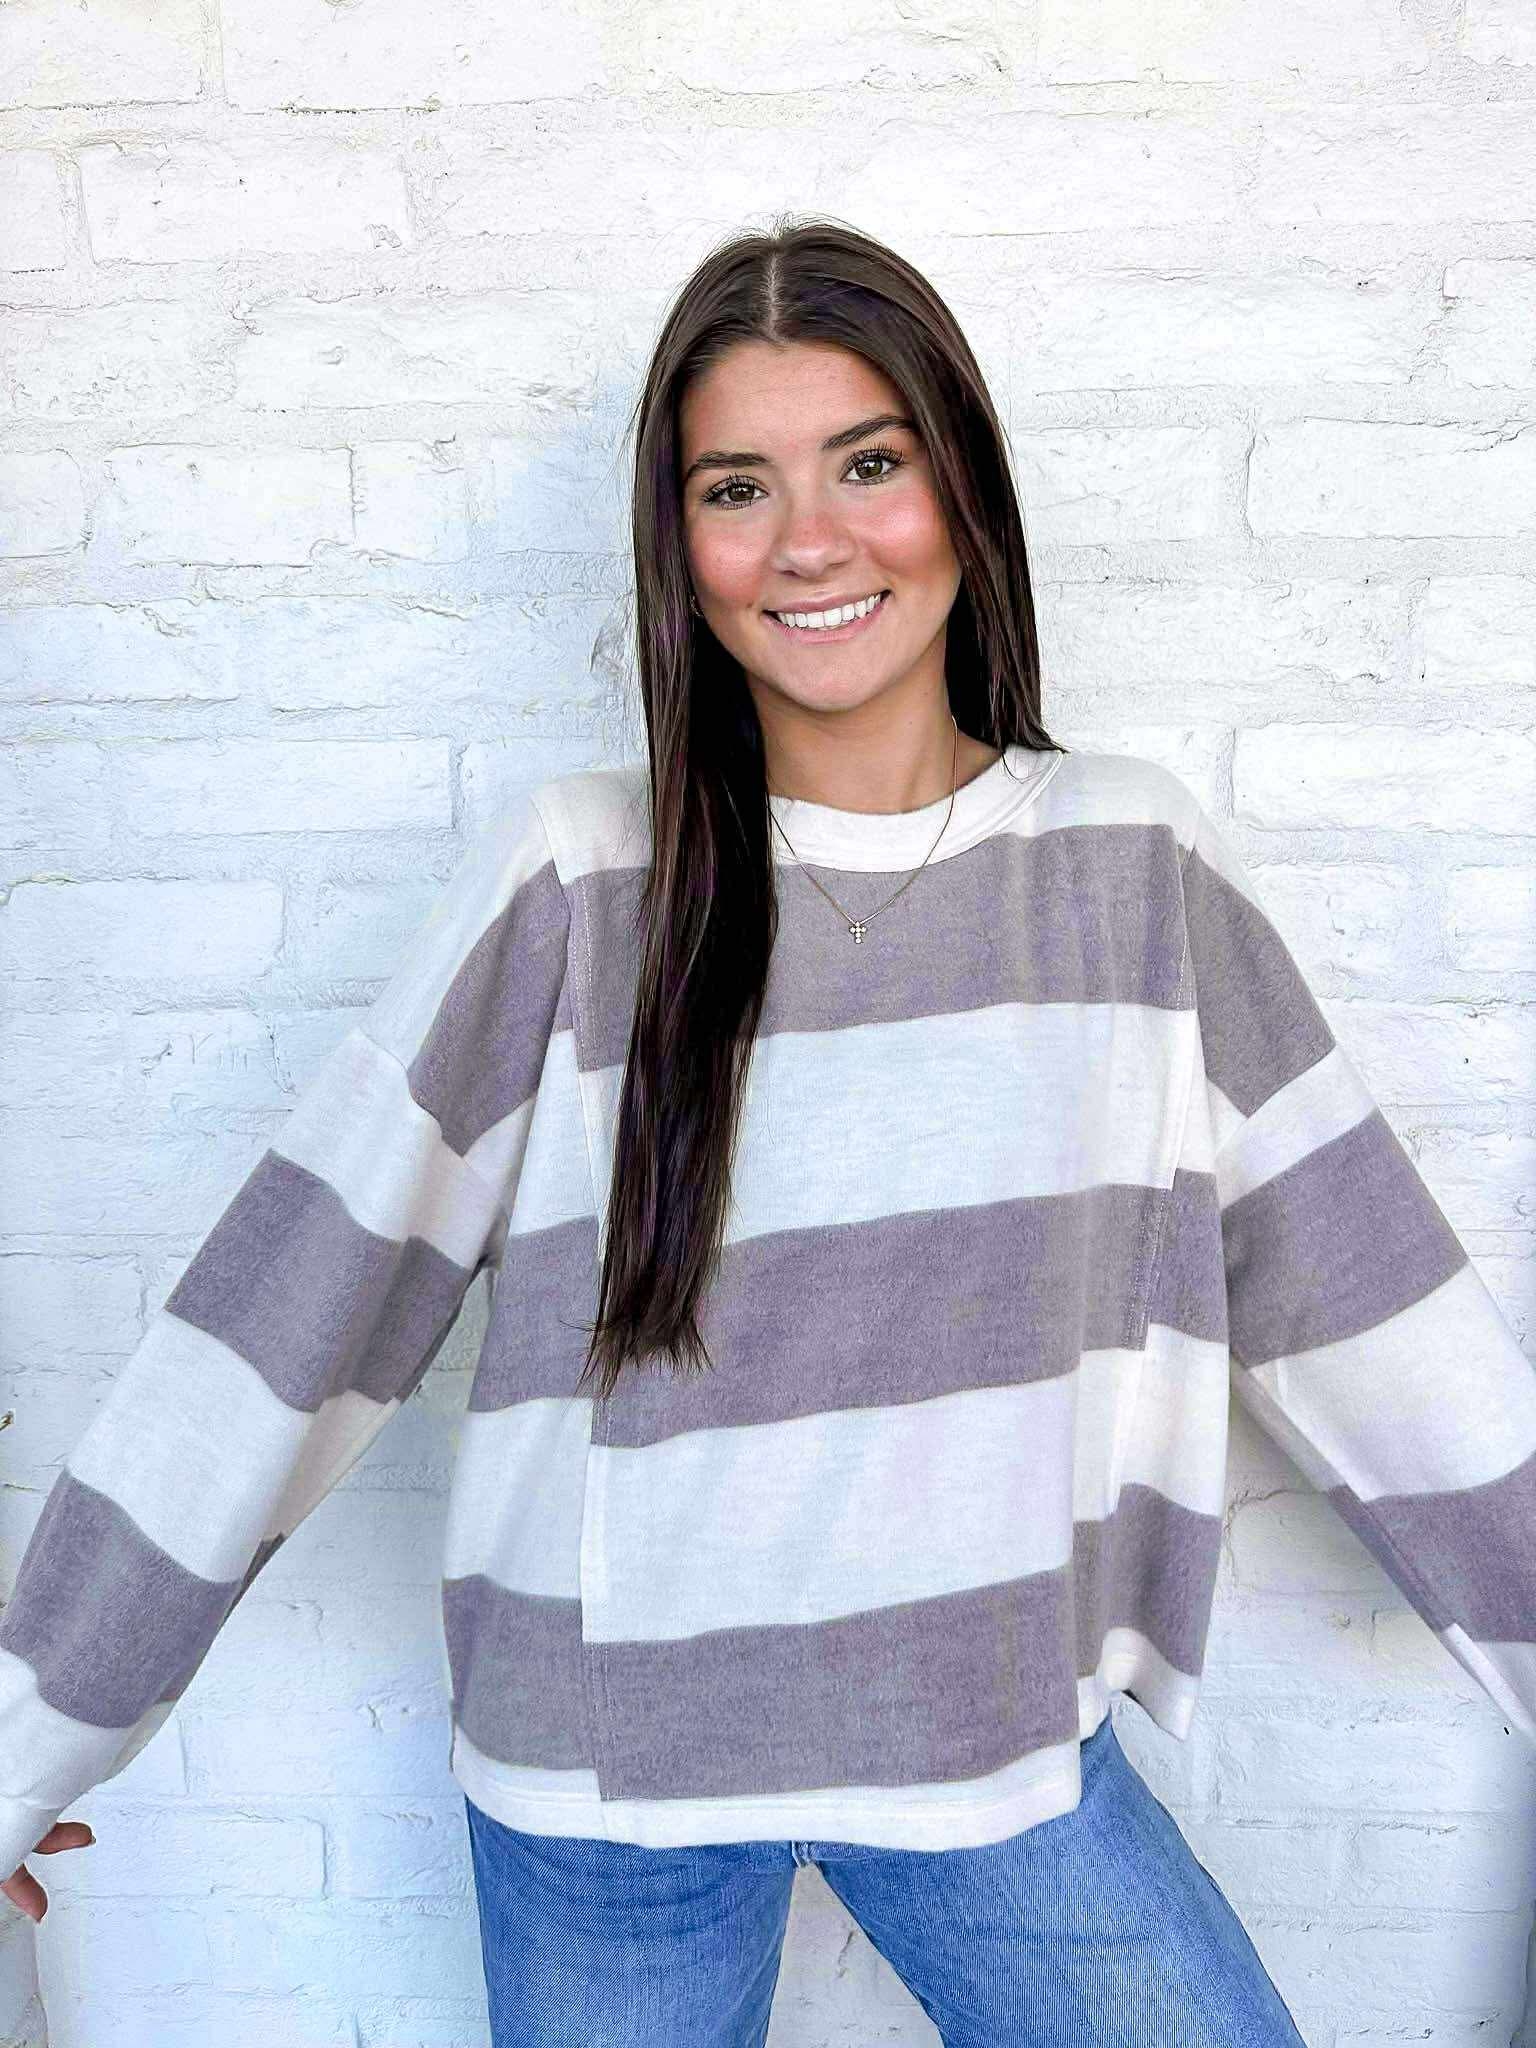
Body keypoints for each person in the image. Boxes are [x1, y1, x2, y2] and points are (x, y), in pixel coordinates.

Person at [3, 217, 1533, 2046]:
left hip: (986, 1742)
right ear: (682, 547)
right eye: (739, 487)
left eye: (868, 464)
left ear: (961, 489)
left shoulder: (1127, 864)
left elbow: (1364, 1297)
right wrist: (23, 1749)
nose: (810, 540)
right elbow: (289, 1316)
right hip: (604, 1787)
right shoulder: (584, 879)